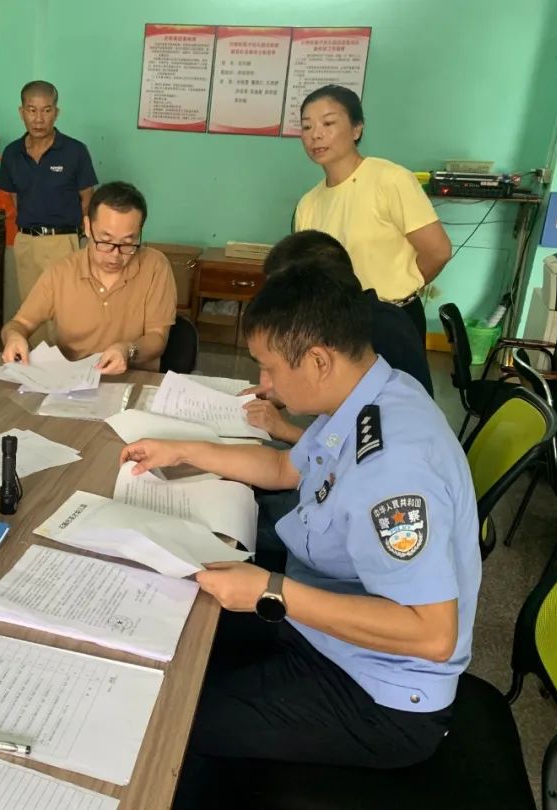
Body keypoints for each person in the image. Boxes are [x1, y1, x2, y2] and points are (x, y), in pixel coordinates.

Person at [120, 262, 480, 805]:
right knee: (176, 621)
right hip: (327, 628)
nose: (264, 384)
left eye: (268, 367)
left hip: (380, 693)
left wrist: (271, 591)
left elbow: (431, 634)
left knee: (173, 717)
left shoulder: (394, 468)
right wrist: (181, 451)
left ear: (317, 360)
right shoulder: (369, 393)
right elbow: (285, 469)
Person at [244, 229, 434, 444]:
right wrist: (283, 391)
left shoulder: (379, 336)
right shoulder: (366, 315)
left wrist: (284, 429)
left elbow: (355, 449)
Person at [295, 84, 452, 344]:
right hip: (335, 323)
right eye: (307, 126)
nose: (316, 135)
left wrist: (400, 290)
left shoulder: (390, 179)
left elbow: (438, 251)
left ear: (357, 129)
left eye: (328, 123)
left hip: (391, 320)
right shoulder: (308, 204)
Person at [0, 181, 176, 374]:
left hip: (135, 379)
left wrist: (128, 350)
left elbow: (158, 337)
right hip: (73, 382)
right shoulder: (61, 273)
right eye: (105, 241)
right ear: (87, 227)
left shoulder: (155, 266)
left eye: (127, 243)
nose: (115, 255)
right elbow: (20, 323)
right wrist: (14, 337)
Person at [0, 80, 98, 306]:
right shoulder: (12, 153)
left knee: (64, 308)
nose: (38, 119)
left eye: (46, 110)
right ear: (21, 112)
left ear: (56, 112)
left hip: (63, 242)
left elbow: (87, 199)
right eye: (32, 110)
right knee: (31, 309)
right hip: (26, 242)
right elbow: (15, 199)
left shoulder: (75, 151)